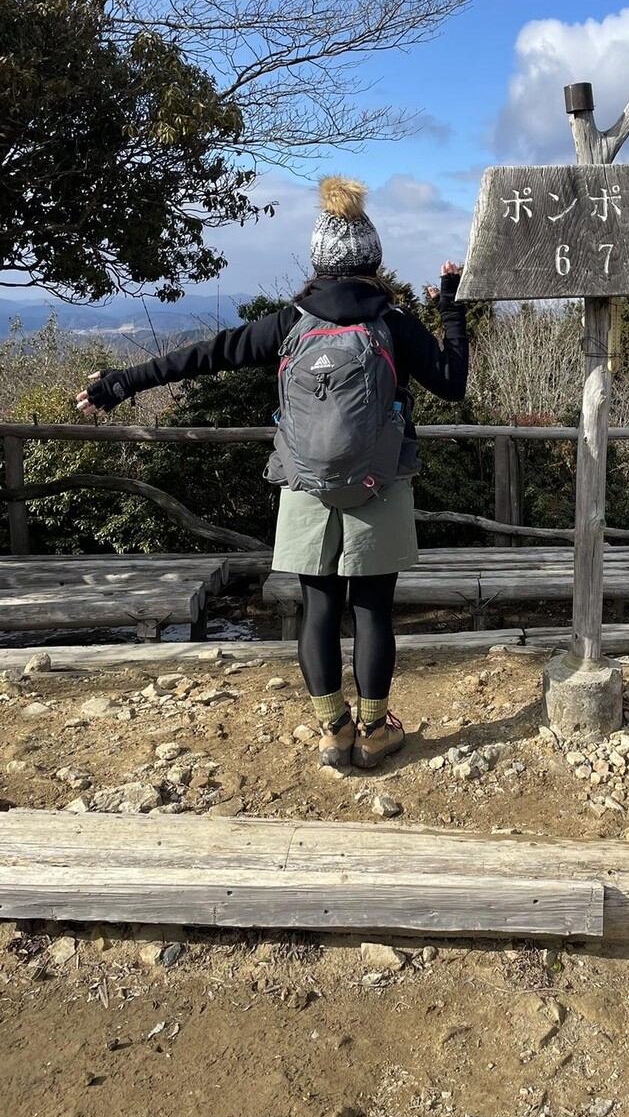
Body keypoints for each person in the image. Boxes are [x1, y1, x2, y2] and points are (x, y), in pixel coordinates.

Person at [76, 176, 468, 773]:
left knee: (318, 610)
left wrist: (119, 382)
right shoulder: (394, 324)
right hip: (379, 486)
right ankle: (374, 732)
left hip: (305, 485)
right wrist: (450, 304)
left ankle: (332, 732)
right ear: (374, 260)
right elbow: (452, 383)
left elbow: (203, 355)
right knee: (372, 611)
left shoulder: (289, 324)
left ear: (318, 261)